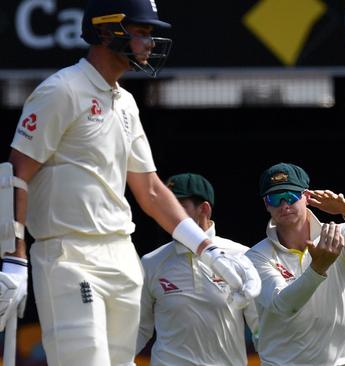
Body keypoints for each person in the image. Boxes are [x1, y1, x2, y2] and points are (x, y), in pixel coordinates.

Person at [0, 0, 260, 365]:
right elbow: (15, 174)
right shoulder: (61, 90)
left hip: (122, 256)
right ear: (107, 30)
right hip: (69, 256)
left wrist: (207, 249)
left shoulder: (126, 103)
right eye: (141, 32)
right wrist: (14, 256)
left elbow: (151, 190)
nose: (150, 42)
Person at [246, 162, 345, 365]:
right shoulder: (256, 256)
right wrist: (317, 268)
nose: (284, 204)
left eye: (291, 196)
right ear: (266, 204)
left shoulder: (340, 234)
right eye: (275, 198)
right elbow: (283, 306)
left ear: (307, 197)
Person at [137, 173, 259, 366]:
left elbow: (260, 327)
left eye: (178, 207)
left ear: (204, 209)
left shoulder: (241, 256)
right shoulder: (151, 262)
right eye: (166, 207)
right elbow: (139, 330)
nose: (169, 214)